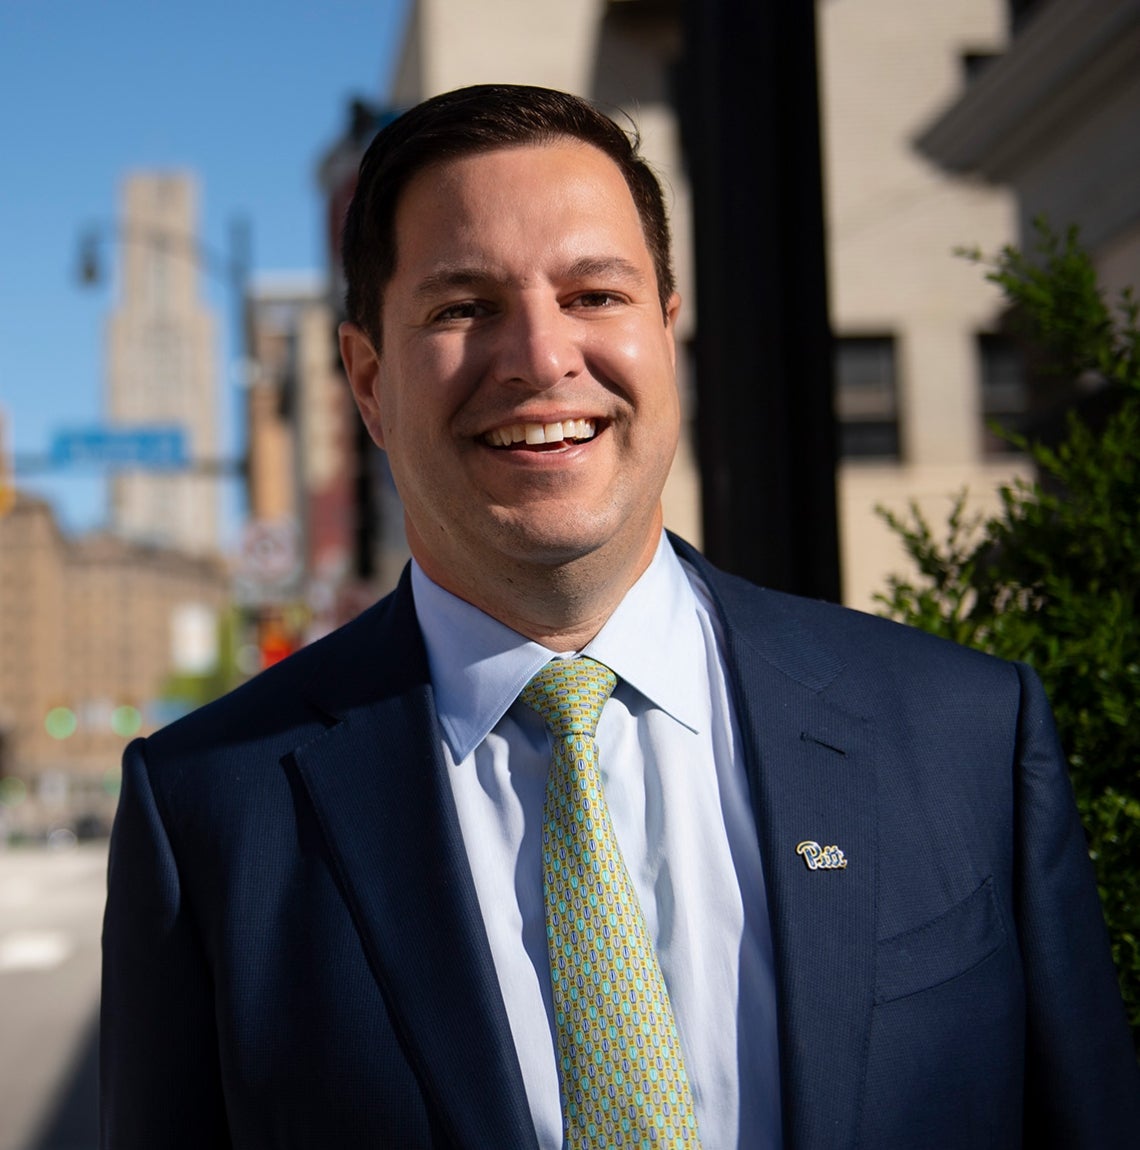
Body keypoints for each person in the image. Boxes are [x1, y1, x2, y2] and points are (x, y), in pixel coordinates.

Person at [100, 84, 1140, 1149]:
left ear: (668, 332)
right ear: (368, 383)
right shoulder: (210, 815)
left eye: (595, 294)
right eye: (464, 307)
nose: (542, 358)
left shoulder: (964, 732)